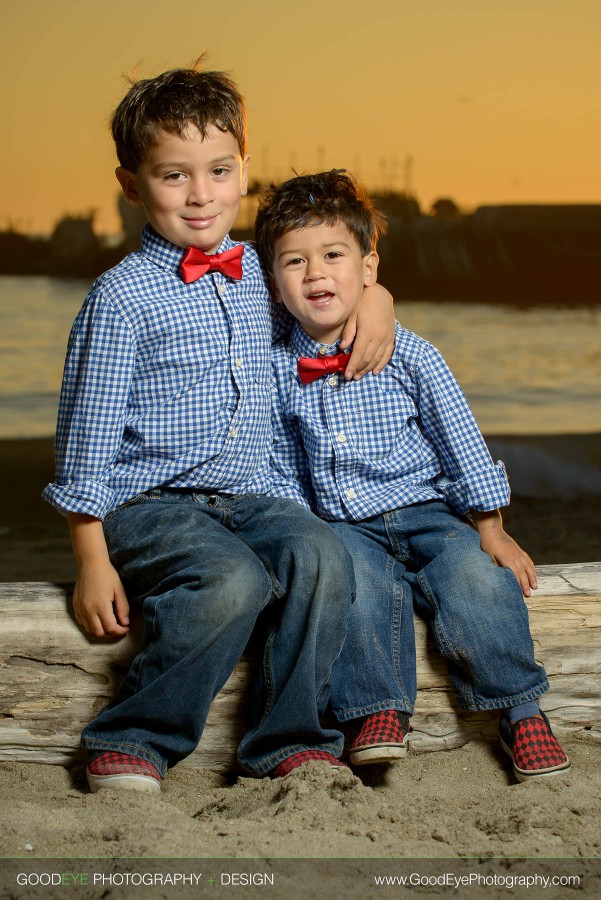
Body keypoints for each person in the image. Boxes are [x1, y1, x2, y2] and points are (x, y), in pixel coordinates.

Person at [43, 69, 397, 793]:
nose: (200, 194)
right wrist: (90, 558)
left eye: (219, 171)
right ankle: (134, 736)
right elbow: (86, 439)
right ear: (132, 184)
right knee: (230, 579)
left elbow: (329, 293)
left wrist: (379, 299)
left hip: (251, 496)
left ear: (244, 172)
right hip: (148, 505)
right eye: (174, 175)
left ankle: (288, 739)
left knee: (319, 553)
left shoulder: (261, 276)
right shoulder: (120, 298)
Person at [255, 169, 571, 783]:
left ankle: (521, 709)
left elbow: (461, 441)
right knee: (360, 589)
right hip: (344, 525)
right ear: (274, 280)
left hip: (430, 511)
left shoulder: (413, 354)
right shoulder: (271, 370)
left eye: (333, 256)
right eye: (295, 262)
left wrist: (491, 525)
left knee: (477, 579)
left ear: (369, 269)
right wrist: (303, 534)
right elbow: (279, 463)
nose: (316, 273)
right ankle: (378, 713)